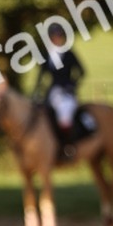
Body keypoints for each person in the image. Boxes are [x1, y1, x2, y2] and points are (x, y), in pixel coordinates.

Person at [34, 24, 92, 157]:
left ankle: (68, 145)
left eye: (58, 36)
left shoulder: (69, 54)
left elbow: (81, 71)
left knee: (65, 113)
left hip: (66, 92)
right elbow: (41, 76)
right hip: (52, 92)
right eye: (53, 37)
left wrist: (72, 85)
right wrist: (36, 91)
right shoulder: (46, 55)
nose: (56, 39)